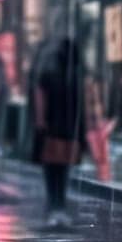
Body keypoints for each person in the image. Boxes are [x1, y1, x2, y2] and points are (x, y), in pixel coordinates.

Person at [33, 39, 84, 227]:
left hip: (53, 127)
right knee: (61, 170)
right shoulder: (72, 75)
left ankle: (55, 205)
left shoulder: (52, 72)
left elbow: (40, 94)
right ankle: (57, 205)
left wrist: (40, 121)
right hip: (64, 128)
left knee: (53, 170)